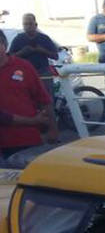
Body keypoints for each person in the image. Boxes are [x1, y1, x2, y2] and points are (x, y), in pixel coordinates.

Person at [0, 30, 57, 161]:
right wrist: (34, 121)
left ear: (4, 44)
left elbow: (44, 99)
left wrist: (53, 129)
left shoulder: (23, 66)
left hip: (27, 140)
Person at [9, 13, 59, 79]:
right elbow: (9, 57)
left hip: (43, 74)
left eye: (30, 24)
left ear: (35, 25)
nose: (28, 26)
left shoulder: (44, 38)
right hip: (24, 73)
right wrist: (22, 52)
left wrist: (42, 50)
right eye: (25, 24)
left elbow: (56, 56)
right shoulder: (18, 39)